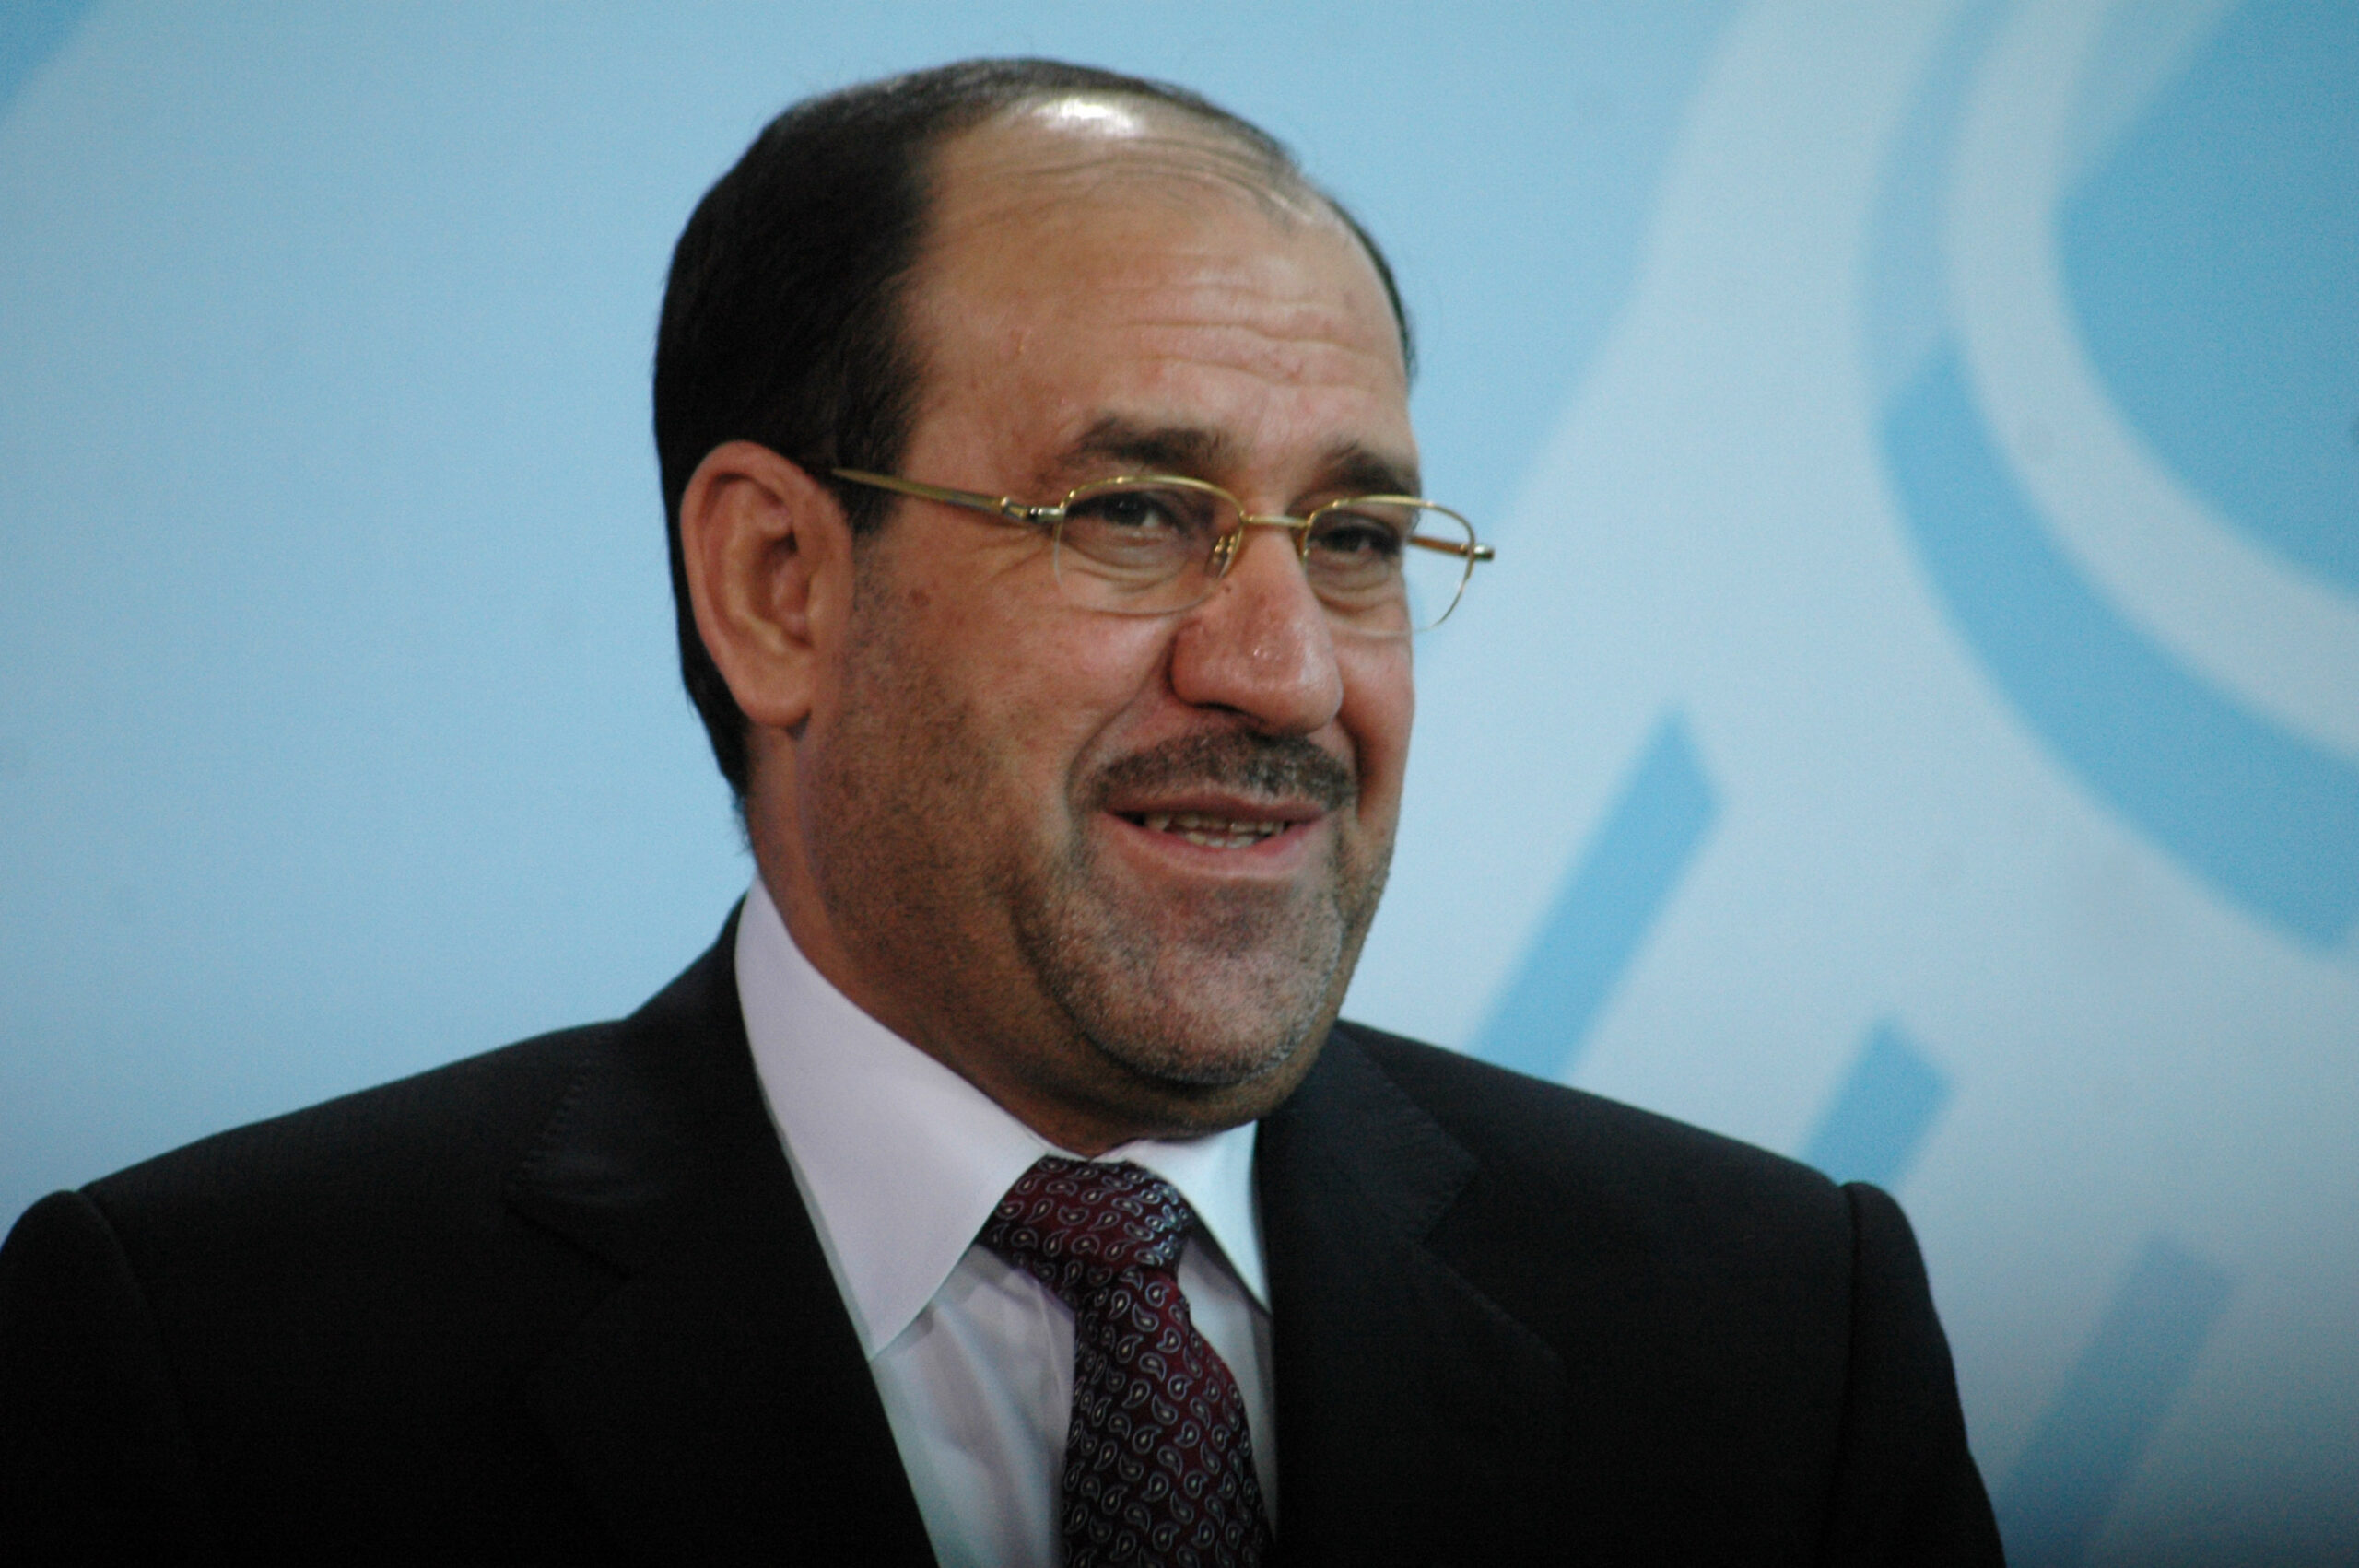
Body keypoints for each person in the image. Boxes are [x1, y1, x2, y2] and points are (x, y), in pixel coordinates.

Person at [0, 59, 2001, 1566]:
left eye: (1358, 534)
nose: (1286, 670)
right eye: (1133, 513)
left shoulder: (1766, 1337)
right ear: (779, 583)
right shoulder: (216, 1369)